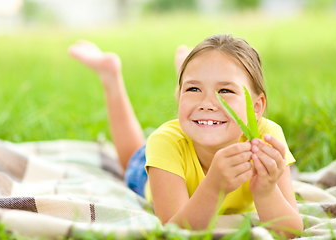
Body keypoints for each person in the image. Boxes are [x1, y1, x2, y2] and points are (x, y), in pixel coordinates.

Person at [68, 34, 303, 238]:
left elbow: (290, 231)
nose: (208, 103)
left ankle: (188, 69)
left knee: (200, 103)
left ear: (257, 106)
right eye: (193, 89)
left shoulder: (266, 138)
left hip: (194, 136)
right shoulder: (165, 142)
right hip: (159, 172)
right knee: (131, 157)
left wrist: (266, 189)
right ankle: (111, 77)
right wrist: (214, 187)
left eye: (225, 90)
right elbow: (174, 231)